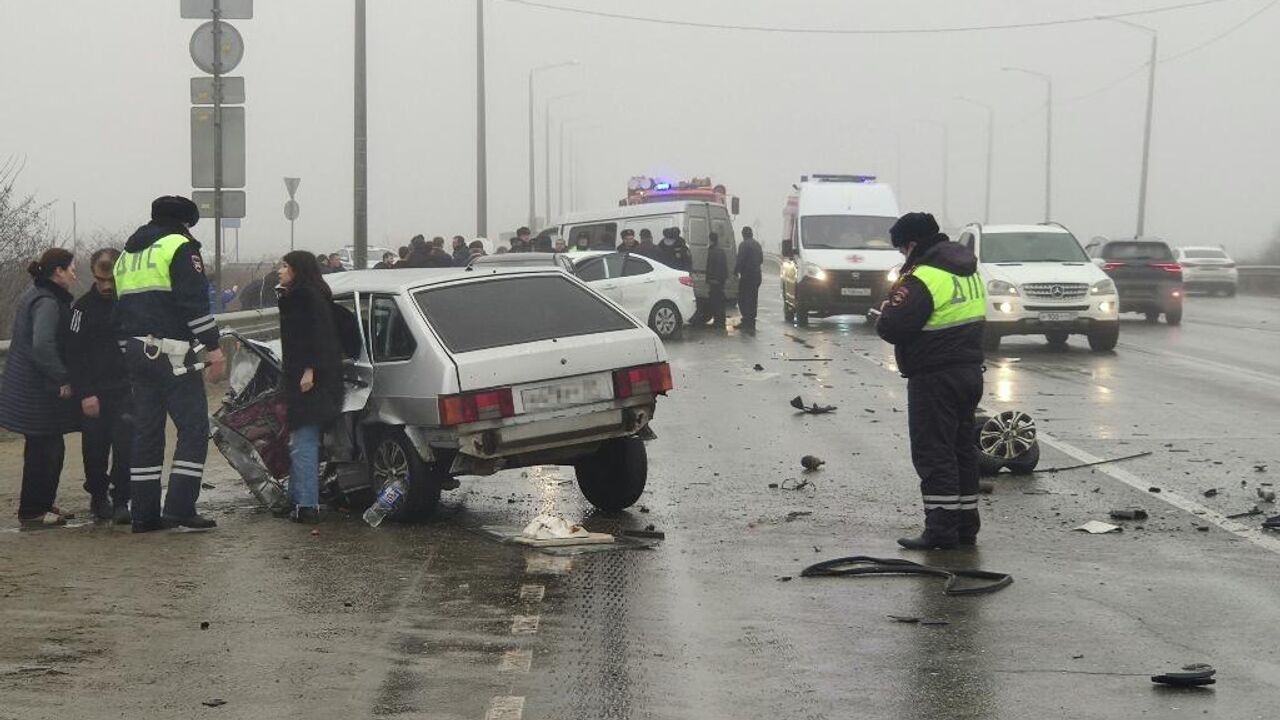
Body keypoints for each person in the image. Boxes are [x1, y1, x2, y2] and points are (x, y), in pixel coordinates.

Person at [113, 195, 225, 533]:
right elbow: (193, 303)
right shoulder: (179, 246)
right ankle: (179, 507)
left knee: (147, 432)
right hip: (173, 352)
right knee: (193, 429)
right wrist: (213, 346)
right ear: (185, 223)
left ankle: (144, 515)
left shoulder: (127, 254)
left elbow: (120, 307)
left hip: (135, 351)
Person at [875, 212, 986, 550]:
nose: (901, 256)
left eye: (900, 249)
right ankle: (966, 525)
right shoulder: (967, 270)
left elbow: (892, 327)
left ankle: (940, 530)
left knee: (934, 452)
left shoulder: (922, 276)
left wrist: (884, 312)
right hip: (969, 371)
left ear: (911, 244)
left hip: (935, 377)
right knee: (961, 450)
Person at [0, 248, 80, 527]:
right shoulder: (47, 302)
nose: (74, 273)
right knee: (44, 449)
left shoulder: (34, 293)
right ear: (58, 271)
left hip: (30, 386)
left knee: (48, 446)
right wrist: (62, 377)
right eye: (71, 268)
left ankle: (43, 503)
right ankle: (33, 510)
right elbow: (42, 346)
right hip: (37, 390)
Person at [274, 251, 345, 524]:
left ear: (297, 269)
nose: (280, 271)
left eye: (285, 266)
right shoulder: (310, 293)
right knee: (301, 440)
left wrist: (309, 370)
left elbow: (319, 335)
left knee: (303, 441)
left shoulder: (306, 297)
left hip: (311, 379)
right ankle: (297, 499)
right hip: (313, 376)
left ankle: (306, 505)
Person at [68, 248, 132, 524]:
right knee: (94, 448)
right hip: (94, 391)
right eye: (101, 279)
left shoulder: (130, 305)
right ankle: (98, 495)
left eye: (112, 280)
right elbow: (73, 354)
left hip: (125, 390)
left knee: (125, 446)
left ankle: (121, 500)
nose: (106, 286)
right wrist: (85, 393)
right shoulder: (81, 309)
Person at [734, 226, 764, 330]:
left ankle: (746, 320)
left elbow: (740, 260)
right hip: (756, 276)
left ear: (744, 235)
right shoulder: (757, 244)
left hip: (747, 276)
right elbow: (761, 260)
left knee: (743, 298)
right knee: (753, 298)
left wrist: (735, 272)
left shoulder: (743, 245)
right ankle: (751, 320)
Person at [705, 232, 729, 328]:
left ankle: (717, 320)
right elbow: (724, 265)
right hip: (720, 279)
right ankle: (721, 320)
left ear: (711, 240)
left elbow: (710, 266)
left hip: (714, 279)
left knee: (715, 300)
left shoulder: (712, 251)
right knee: (720, 300)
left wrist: (709, 279)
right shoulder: (721, 250)